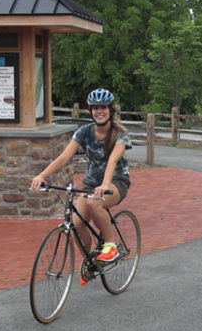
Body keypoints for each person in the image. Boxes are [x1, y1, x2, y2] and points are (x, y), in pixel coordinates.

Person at [31, 88, 132, 285]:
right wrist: (42, 175)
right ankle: (90, 258)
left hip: (117, 181)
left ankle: (110, 246)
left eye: (103, 107)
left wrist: (104, 185)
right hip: (91, 183)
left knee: (96, 203)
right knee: (76, 224)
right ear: (90, 111)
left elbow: (112, 161)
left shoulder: (120, 133)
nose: (99, 111)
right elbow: (65, 157)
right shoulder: (84, 132)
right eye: (95, 108)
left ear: (111, 110)